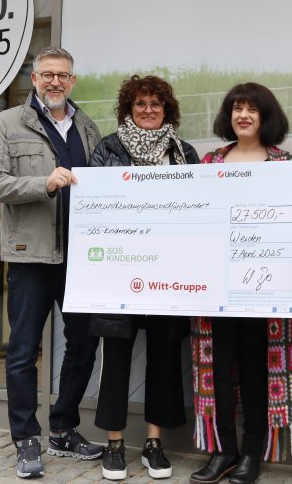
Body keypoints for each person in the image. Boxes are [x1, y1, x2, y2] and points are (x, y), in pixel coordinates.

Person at [0, 46, 105, 478]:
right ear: (34, 79)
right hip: (30, 257)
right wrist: (43, 184)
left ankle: (63, 428)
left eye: (63, 75)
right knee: (23, 351)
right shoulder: (8, 123)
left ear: (72, 81)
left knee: (84, 344)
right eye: (47, 74)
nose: (55, 81)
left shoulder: (87, 127)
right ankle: (26, 438)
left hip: (80, 258)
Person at [190, 83, 292, 484]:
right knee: (217, 372)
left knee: (254, 372)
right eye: (237, 109)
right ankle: (223, 451)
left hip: (263, 291)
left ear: (266, 117)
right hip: (217, 289)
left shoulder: (284, 164)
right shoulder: (211, 161)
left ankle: (251, 453)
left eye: (252, 109)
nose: (243, 116)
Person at [88, 74, 195, 481]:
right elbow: (94, 205)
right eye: (140, 104)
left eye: (155, 104)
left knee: (165, 357)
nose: (148, 110)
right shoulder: (108, 149)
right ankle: (114, 444)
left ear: (167, 110)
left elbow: (199, 210)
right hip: (119, 270)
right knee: (115, 356)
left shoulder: (183, 152)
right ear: (128, 109)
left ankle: (153, 443)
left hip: (169, 273)